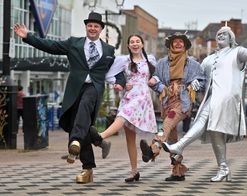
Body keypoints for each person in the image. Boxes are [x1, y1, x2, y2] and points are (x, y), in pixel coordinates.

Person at [14, 11, 126, 184]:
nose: (93, 28)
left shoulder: (109, 50)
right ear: (86, 27)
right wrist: (28, 36)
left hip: (94, 88)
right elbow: (51, 45)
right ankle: (88, 168)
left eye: (96, 26)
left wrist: (120, 82)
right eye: (90, 25)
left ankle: (74, 143)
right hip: (75, 88)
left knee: (84, 109)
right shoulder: (74, 43)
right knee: (79, 124)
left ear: (101, 29)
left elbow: (117, 71)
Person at [162, 21, 247, 182]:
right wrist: (195, 83)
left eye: (224, 34)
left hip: (225, 98)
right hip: (212, 98)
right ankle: (223, 168)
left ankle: (179, 146)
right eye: (218, 34)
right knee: (215, 134)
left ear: (231, 38)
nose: (220, 35)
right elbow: (200, 78)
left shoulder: (237, 52)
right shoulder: (208, 59)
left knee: (201, 120)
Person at [139, 32, 205, 181]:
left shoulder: (193, 64)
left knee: (168, 123)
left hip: (183, 100)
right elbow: (157, 80)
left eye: (181, 42)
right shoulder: (162, 63)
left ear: (185, 45)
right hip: (167, 99)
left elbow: (202, 81)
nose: (178, 44)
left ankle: (153, 149)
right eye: (175, 42)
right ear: (170, 45)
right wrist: (156, 83)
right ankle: (177, 171)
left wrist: (196, 84)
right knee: (172, 139)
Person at [98, 34, 157, 182]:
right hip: (129, 96)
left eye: (138, 41)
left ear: (142, 44)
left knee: (122, 116)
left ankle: (99, 137)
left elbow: (159, 75)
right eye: (132, 42)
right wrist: (122, 84)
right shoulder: (123, 60)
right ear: (128, 46)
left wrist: (154, 80)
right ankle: (134, 172)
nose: (135, 44)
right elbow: (109, 76)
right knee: (130, 138)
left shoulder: (150, 59)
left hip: (142, 97)